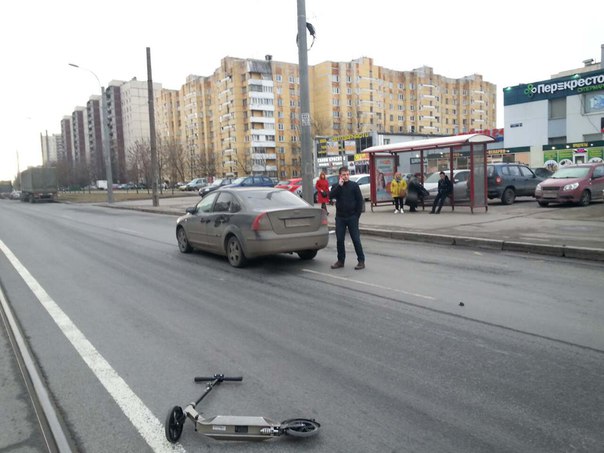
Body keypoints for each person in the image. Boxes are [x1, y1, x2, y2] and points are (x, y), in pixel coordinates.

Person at [329, 166, 365, 270]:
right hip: (340, 217)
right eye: (344, 175)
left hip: (352, 217)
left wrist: (357, 215)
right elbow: (331, 196)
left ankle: (361, 261)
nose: (346, 176)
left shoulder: (354, 185)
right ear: (340, 175)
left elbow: (359, 201)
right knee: (340, 240)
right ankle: (340, 261)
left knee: (356, 239)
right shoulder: (336, 186)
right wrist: (339, 186)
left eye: (347, 174)